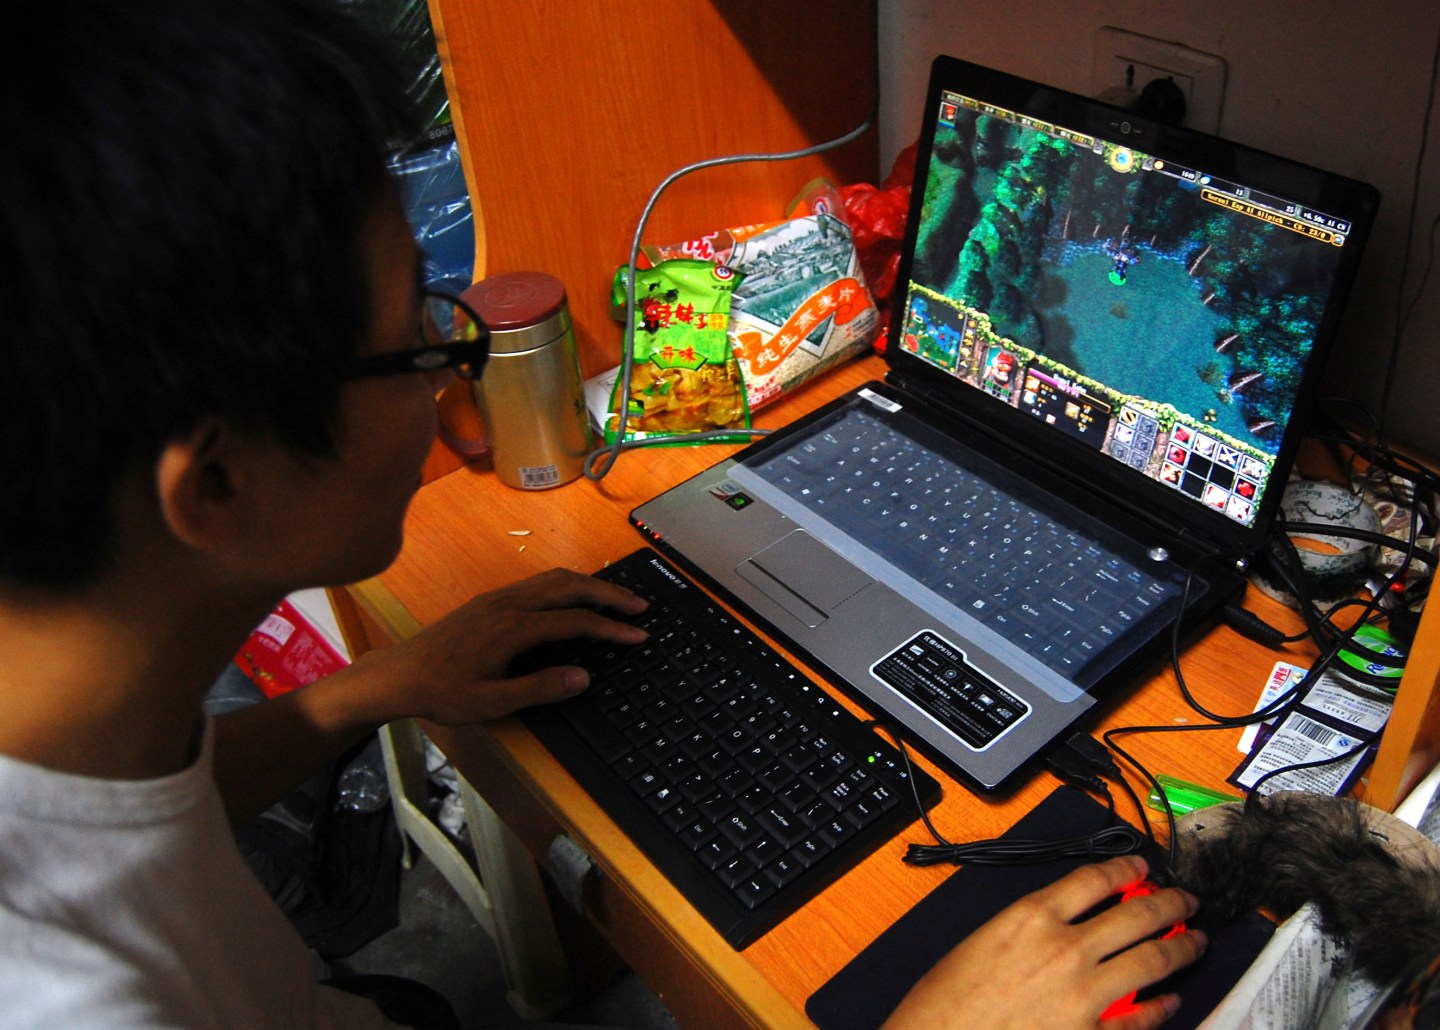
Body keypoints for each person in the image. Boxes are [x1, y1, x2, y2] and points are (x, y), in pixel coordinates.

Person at [0, 1, 1205, 1026]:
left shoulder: (67, 722)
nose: (449, 371)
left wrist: (376, 685)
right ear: (212, 482)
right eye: (415, 335)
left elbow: (135, 814)